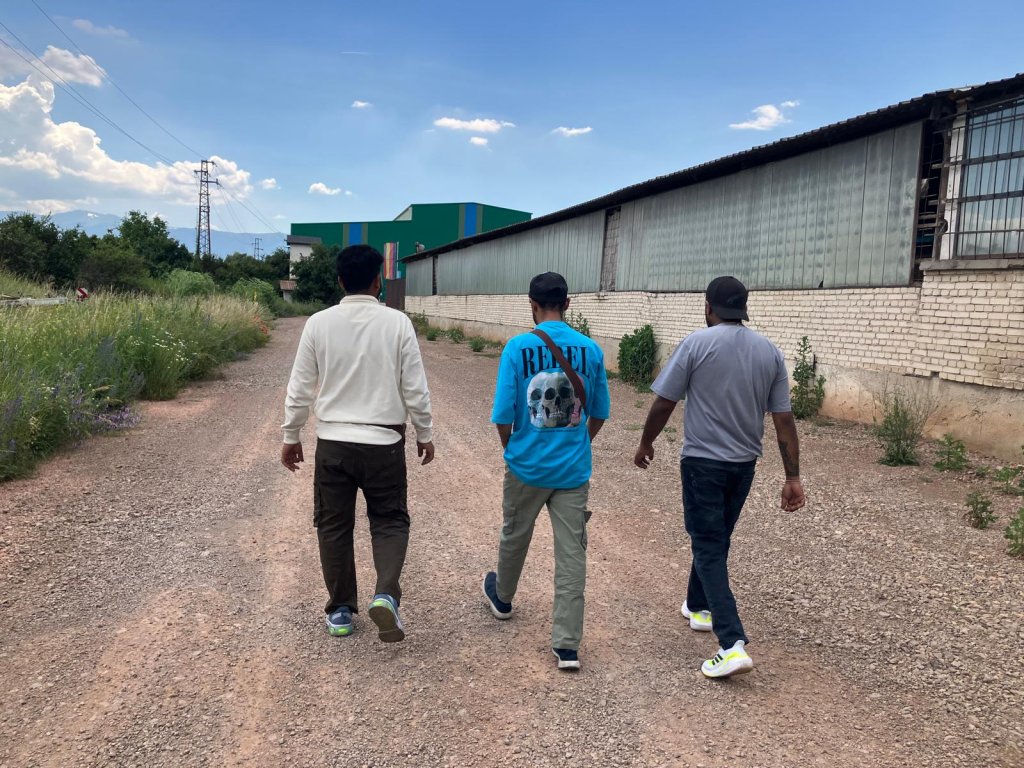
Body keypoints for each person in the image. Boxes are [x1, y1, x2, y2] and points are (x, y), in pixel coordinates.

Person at [633, 276, 805, 678]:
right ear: (744, 308)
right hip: (743, 466)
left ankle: (731, 644)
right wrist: (792, 476)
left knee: (709, 543)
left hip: (702, 464)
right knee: (715, 538)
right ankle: (698, 607)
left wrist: (645, 442)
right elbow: (783, 419)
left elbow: (665, 402)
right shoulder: (770, 353)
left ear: (708, 307)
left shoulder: (695, 344)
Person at [281, 244, 435, 643]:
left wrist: (291, 434)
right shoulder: (398, 323)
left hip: (333, 443)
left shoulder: (318, 323)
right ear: (378, 281)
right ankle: (385, 593)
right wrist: (425, 433)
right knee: (389, 520)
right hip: (384, 442)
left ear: (339, 281)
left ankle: (341, 612)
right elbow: (415, 388)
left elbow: (300, 388)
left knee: (333, 526)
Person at [482, 272, 611, 671]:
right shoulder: (590, 350)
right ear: (568, 304)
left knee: (514, 534)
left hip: (526, 467)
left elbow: (504, 415)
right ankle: (567, 645)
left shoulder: (517, 348)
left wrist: (515, 448)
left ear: (532, 304)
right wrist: (579, 443)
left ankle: (503, 598)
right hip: (572, 472)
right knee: (572, 554)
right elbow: (601, 413)